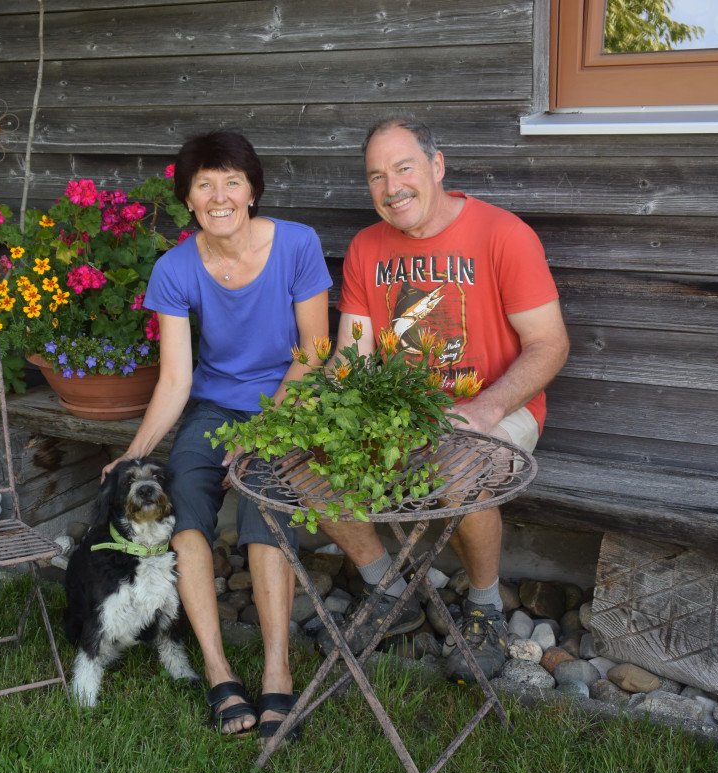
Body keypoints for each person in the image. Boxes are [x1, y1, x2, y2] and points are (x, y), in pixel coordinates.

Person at [318, 117, 570, 682]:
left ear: (436, 165)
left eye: (404, 168)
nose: (391, 187)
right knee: (304, 460)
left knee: (460, 466)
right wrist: (307, 415)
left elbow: (550, 345)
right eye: (376, 176)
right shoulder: (366, 247)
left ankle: (484, 611)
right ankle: (389, 591)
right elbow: (351, 357)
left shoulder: (503, 234)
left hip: (499, 408)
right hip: (400, 412)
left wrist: (486, 408)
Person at [102, 131, 332, 738]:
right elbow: (177, 377)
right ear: (189, 199)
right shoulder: (175, 267)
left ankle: (278, 673)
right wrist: (134, 453)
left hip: (289, 406)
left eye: (232, 181)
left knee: (266, 509)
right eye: (204, 184)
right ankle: (219, 671)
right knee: (185, 511)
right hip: (213, 407)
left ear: (252, 189)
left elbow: (314, 352)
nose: (220, 195)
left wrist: (268, 429)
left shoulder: (298, 245)